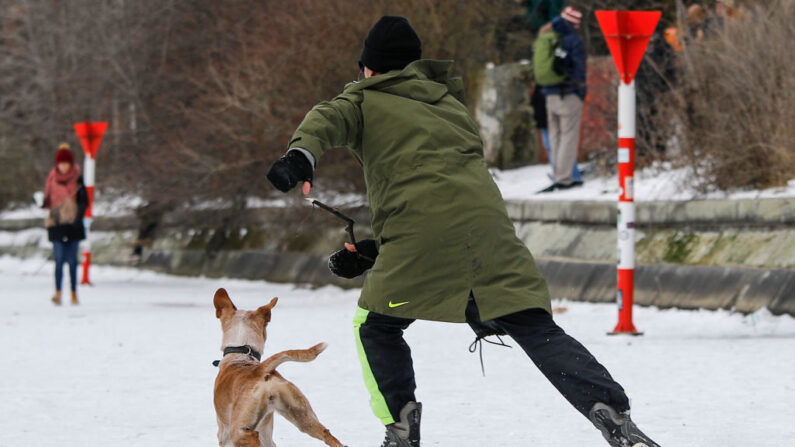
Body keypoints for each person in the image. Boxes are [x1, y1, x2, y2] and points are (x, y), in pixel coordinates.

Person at [266, 16, 660, 447]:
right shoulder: (449, 105)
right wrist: (378, 250)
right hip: (489, 234)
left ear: (369, 68)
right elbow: (443, 195)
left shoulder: (361, 100)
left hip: (425, 239)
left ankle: (401, 429)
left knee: (374, 326)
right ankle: (613, 416)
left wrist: (300, 157)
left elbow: (326, 118)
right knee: (535, 326)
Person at [535, 7, 586, 193]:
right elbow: (579, 70)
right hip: (569, 94)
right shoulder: (573, 40)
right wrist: (581, 92)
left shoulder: (547, 36)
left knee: (555, 137)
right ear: (574, 24)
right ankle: (564, 179)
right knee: (568, 137)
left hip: (549, 94)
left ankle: (558, 174)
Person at [43, 143, 88, 305]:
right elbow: (46, 200)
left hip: (73, 225)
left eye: (65, 163)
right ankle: (58, 292)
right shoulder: (51, 178)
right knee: (59, 260)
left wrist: (76, 220)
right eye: (60, 163)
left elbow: (84, 202)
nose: (63, 166)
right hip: (56, 224)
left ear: (70, 164)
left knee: (72, 262)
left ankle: (74, 293)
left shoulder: (78, 179)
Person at [531, 84, 583, 183]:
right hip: (551, 115)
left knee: (554, 146)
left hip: (545, 119)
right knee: (565, 142)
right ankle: (569, 175)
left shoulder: (544, 85)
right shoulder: (552, 86)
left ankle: (563, 175)